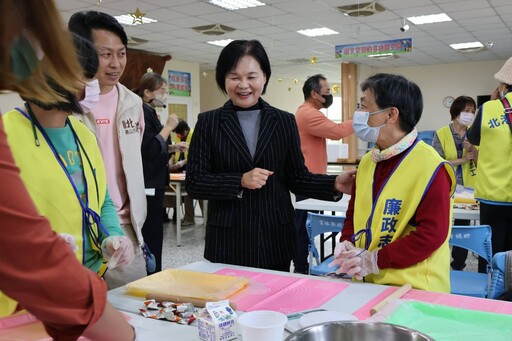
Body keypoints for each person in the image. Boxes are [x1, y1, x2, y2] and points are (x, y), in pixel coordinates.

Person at [0, 0, 134, 339]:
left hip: (87, 279)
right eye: (84, 80)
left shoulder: (84, 135)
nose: (90, 89)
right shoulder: (9, 133)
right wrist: (41, 246)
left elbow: (100, 198)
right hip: (28, 297)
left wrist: (111, 235)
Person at [185, 40, 355, 271]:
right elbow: (195, 182)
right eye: (234, 77)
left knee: (273, 303)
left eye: (252, 76)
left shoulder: (284, 121)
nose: (243, 85)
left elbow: (297, 177)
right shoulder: (209, 122)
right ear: (223, 79)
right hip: (227, 240)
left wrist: (334, 183)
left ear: (264, 77)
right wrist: (239, 181)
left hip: (274, 237)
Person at [330, 73, 455, 293]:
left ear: (390, 114)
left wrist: (376, 259)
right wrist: (347, 241)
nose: (358, 114)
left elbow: (431, 235)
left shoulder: (432, 166)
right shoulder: (370, 160)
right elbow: (354, 213)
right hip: (367, 283)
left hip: (413, 288)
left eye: (364, 106)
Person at [69, 10, 148, 288]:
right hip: (77, 230)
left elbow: (129, 163)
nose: (116, 64)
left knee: (133, 318)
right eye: (105, 54)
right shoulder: (65, 107)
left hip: (125, 231)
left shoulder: (133, 104)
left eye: (121, 53)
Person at [293, 74, 354, 274]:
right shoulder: (308, 113)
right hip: (307, 181)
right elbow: (336, 131)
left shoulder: (310, 112)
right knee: (302, 227)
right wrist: (360, 120)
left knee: (306, 225)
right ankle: (301, 267)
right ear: (314, 94)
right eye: (327, 92)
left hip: (314, 179)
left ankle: (306, 264)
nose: (329, 96)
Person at [467, 57, 512, 273]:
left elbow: (473, 137)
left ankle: (489, 298)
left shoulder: (490, 108)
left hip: (492, 197)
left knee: (491, 253)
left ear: (503, 85)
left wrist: (492, 103)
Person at [136, 71, 181, 274]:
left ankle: (156, 270)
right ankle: (151, 272)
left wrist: (173, 148)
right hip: (148, 184)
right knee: (151, 232)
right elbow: (150, 149)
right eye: (162, 91)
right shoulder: (141, 114)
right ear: (147, 93)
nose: (165, 95)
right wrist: (169, 127)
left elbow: (158, 146)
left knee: (156, 232)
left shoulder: (152, 113)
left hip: (157, 181)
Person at [432, 95, 478, 270]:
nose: (470, 115)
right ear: (456, 112)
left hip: (469, 190)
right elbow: (437, 161)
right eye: (466, 111)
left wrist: (471, 149)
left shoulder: (474, 133)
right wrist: (463, 159)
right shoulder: (442, 133)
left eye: (473, 111)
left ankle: (458, 264)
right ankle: (439, 262)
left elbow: (480, 161)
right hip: (447, 186)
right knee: (442, 224)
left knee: (463, 227)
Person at [171, 119, 197, 226]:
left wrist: (183, 162)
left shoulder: (195, 135)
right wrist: (172, 161)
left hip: (193, 167)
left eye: (179, 133)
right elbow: (175, 152)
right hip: (180, 169)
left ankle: (199, 218)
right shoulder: (178, 136)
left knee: (194, 192)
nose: (177, 135)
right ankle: (186, 217)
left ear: (186, 130)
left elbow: (196, 154)